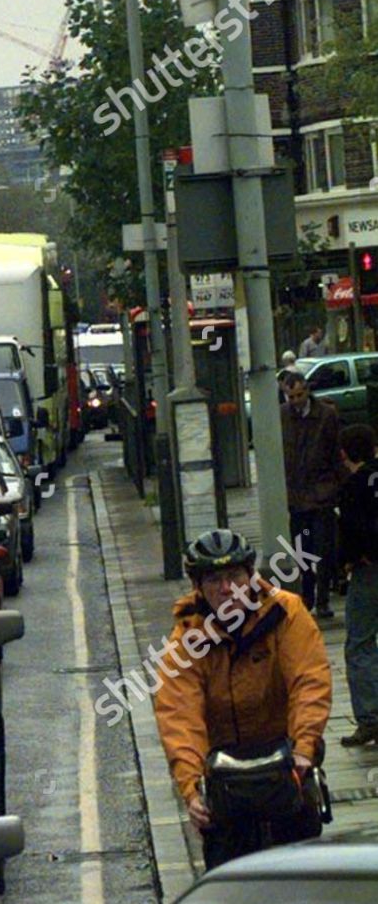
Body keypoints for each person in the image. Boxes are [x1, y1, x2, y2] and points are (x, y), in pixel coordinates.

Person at [154, 528, 332, 870]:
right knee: (227, 886)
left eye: (235, 576)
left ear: (251, 576)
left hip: (284, 763)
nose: (226, 589)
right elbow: (178, 715)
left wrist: (304, 750)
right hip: (226, 774)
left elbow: (310, 681)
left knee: (304, 877)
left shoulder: (286, 612)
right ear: (198, 587)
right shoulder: (187, 639)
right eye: (214, 580)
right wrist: (192, 790)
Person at [281, 371, 342, 618]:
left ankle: (323, 598)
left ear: (307, 390)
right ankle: (307, 596)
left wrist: (335, 489)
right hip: (297, 498)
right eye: (291, 396)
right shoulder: (283, 416)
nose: (296, 400)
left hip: (321, 496)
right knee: (302, 548)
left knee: (323, 548)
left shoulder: (326, 416)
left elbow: (335, 452)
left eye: (299, 394)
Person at [337, 423, 378, 746]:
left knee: (360, 643)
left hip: (369, 571)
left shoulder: (353, 487)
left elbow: (350, 533)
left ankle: (370, 718)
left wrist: (349, 561)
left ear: (344, 454)